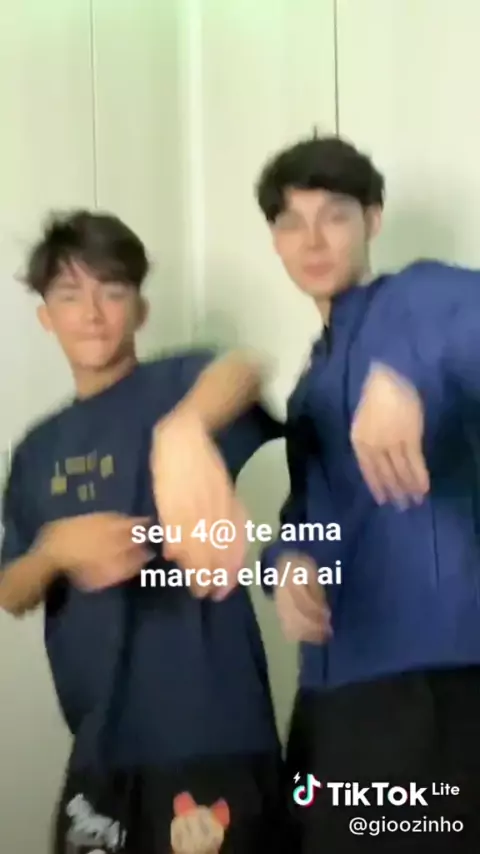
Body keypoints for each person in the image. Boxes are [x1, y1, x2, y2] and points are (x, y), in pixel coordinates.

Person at [0, 210, 287, 853]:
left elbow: (246, 368)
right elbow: (10, 589)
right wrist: (55, 551)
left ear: (141, 309)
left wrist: (184, 431)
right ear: (45, 316)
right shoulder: (35, 449)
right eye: (69, 295)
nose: (91, 312)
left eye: (112, 290)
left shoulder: (182, 384)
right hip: (99, 749)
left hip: (213, 735)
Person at [255, 135, 480, 852]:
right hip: (331, 692)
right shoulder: (310, 381)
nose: (313, 240)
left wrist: (409, 372)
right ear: (275, 240)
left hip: (429, 684)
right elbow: (309, 512)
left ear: (373, 220)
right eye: (292, 222)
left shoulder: (418, 299)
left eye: (335, 215)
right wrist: (285, 562)